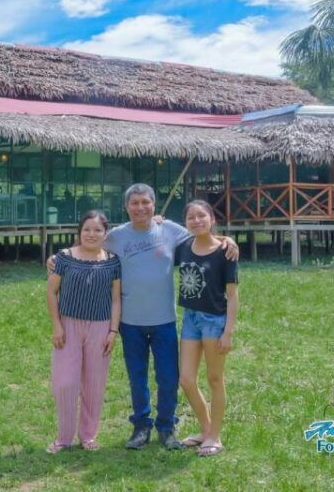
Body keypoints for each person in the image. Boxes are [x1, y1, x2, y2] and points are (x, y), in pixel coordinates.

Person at [48, 183, 238, 451]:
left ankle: (166, 426)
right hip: (130, 322)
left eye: (145, 202)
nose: (140, 207)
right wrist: (56, 257)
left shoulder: (171, 230)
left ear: (154, 205)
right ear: (126, 207)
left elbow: (203, 237)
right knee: (137, 378)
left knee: (168, 378)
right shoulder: (115, 236)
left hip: (165, 320)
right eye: (134, 203)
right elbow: (88, 241)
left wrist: (228, 241)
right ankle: (140, 426)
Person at [45, 211, 122, 453]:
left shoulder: (112, 261)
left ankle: (88, 435)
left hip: (100, 327)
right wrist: (57, 325)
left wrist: (113, 331)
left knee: (94, 384)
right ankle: (63, 438)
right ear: (79, 232)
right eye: (87, 229)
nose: (92, 234)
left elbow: (116, 300)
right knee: (65, 382)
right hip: (68, 325)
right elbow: (51, 292)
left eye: (98, 230)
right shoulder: (64, 258)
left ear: (105, 233)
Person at [175, 200, 239, 457]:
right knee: (187, 380)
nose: (197, 220)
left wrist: (228, 332)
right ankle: (205, 430)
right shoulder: (183, 247)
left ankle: (215, 436)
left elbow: (233, 296)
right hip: (190, 318)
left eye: (202, 215)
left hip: (215, 320)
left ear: (212, 219)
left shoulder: (225, 251)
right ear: (186, 222)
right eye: (191, 217)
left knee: (214, 379)